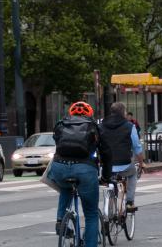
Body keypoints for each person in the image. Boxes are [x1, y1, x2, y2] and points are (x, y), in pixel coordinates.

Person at [49, 101, 112, 247]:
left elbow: (57, 143)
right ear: (90, 114)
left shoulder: (61, 124)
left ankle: (60, 220)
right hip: (85, 169)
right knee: (90, 214)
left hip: (59, 168)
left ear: (71, 113)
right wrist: (105, 177)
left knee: (65, 187)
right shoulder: (94, 127)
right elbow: (106, 153)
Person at [100, 102, 144, 212]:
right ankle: (129, 202)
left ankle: (109, 208)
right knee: (133, 174)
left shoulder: (101, 125)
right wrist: (141, 163)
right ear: (123, 113)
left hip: (106, 166)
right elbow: (137, 147)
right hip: (124, 164)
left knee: (108, 178)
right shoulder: (130, 126)